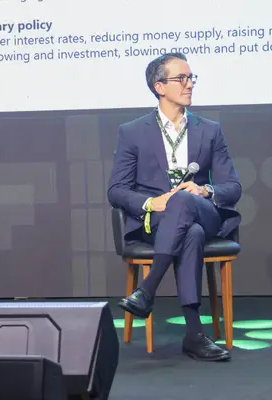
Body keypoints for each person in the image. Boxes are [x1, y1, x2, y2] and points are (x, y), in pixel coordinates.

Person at [107, 52, 242, 361]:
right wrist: (152, 202)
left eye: (191, 78)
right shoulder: (133, 132)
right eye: (181, 78)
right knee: (190, 233)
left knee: (184, 200)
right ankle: (194, 334)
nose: (189, 84)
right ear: (159, 87)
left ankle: (148, 289)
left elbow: (233, 187)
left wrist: (205, 190)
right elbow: (116, 190)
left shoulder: (210, 130)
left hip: (204, 212)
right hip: (158, 220)